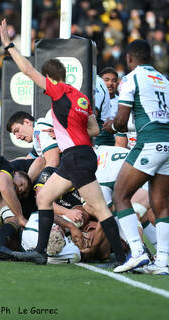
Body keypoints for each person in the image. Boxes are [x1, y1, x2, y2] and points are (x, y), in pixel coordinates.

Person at [0, 18, 126, 265]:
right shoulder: (81, 98)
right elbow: (93, 129)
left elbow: (26, 70)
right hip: (76, 156)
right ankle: (39, 252)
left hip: (77, 158)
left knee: (100, 208)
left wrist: (8, 46)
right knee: (44, 198)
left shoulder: (58, 90)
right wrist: (64, 133)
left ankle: (122, 259)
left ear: (50, 77)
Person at [104, 39, 169, 275]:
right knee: (162, 206)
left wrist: (111, 127)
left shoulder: (131, 78)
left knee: (120, 195)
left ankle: (138, 253)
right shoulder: (164, 80)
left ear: (130, 58)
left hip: (149, 141)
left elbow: (121, 120)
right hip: (168, 143)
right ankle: (162, 261)